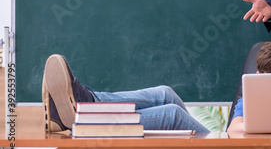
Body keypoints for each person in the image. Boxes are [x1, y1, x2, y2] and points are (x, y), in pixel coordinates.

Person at [42, 54, 209, 133]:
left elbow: (235, 128)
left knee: (174, 115)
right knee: (166, 93)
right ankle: (89, 103)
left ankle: (86, 114)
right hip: (231, 142)